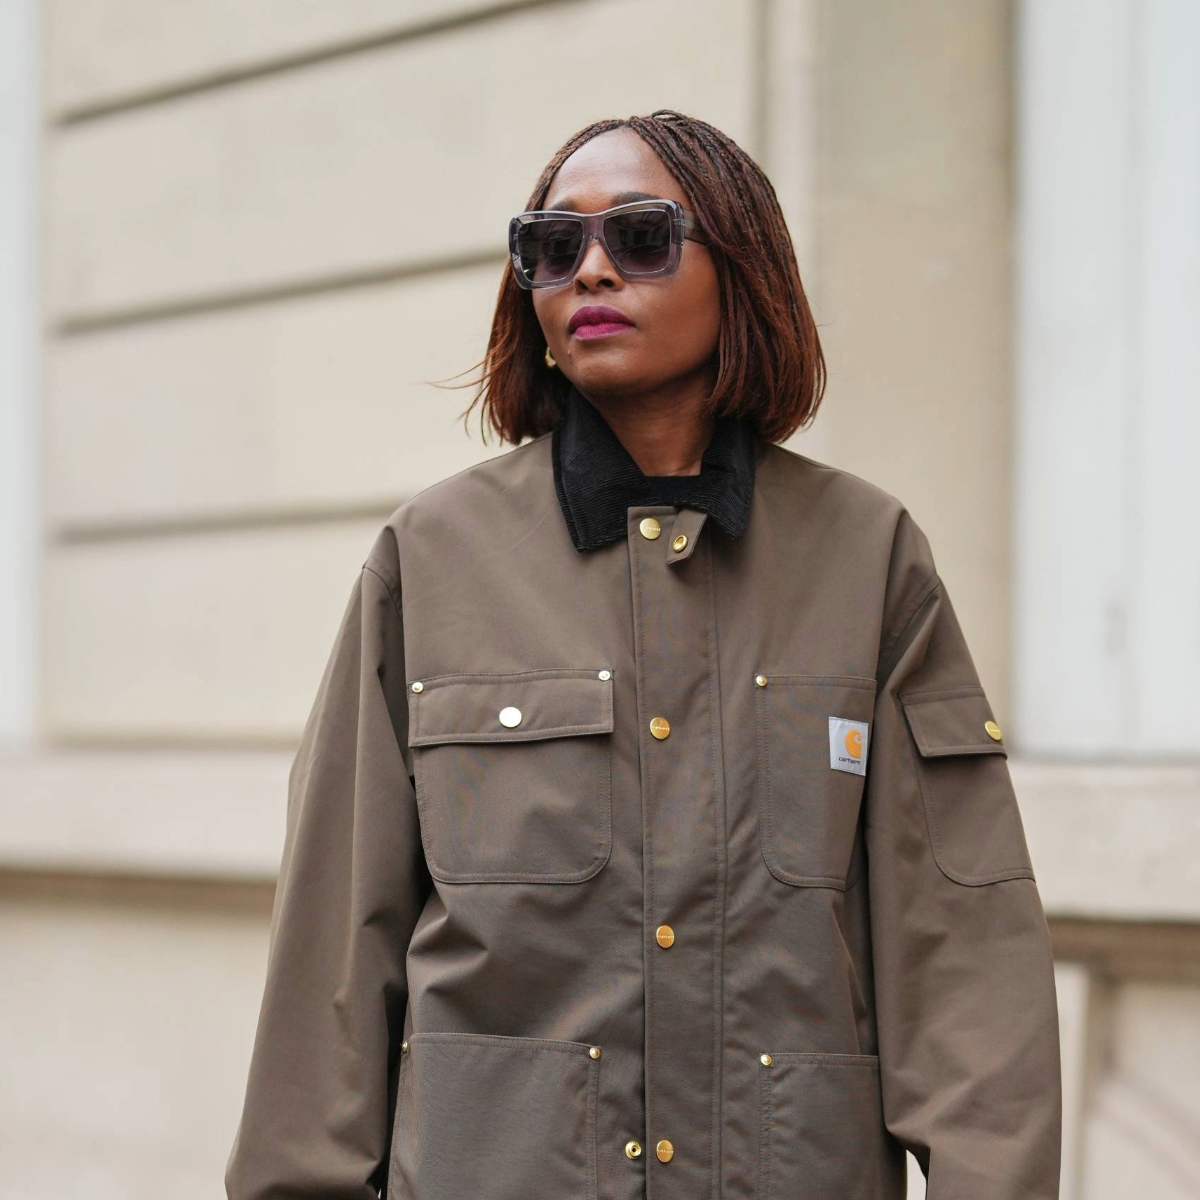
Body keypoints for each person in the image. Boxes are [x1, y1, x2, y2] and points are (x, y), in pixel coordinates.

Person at [225, 108, 1062, 1200]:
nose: (593, 271)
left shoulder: (868, 558)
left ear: (743, 268)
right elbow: (334, 955)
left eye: (643, 236)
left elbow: (965, 959)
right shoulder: (430, 560)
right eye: (553, 247)